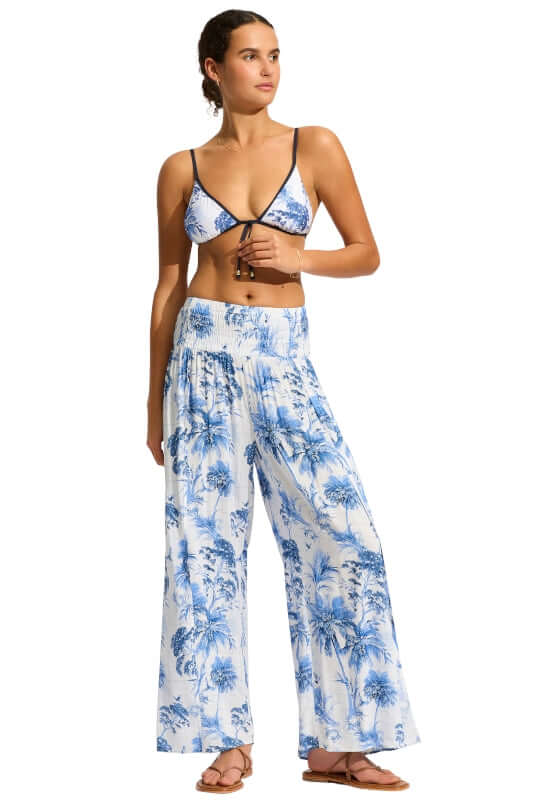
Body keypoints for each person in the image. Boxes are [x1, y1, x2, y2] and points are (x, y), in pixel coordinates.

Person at [147, 8, 421, 794]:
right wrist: (151, 402)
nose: (267, 69)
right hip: (200, 363)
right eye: (249, 56)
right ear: (213, 68)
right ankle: (225, 741)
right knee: (204, 551)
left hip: (282, 360)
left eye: (274, 55)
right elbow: (168, 283)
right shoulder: (181, 167)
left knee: (346, 539)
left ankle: (341, 744)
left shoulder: (315, 145)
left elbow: (367, 252)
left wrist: (300, 255)